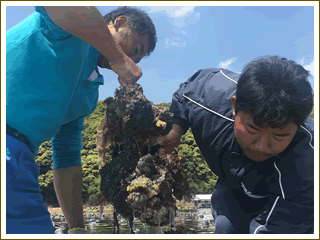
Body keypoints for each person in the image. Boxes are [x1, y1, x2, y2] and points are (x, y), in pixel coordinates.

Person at [6, 6, 157, 234]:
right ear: (119, 22)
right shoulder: (70, 29)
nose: (135, 61)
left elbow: (66, 156)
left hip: (22, 163)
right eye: (136, 50)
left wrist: (77, 229)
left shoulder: (89, 94)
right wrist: (120, 59)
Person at [159, 56, 314, 234]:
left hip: (288, 198)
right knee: (226, 229)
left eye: (279, 136)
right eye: (252, 129)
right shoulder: (208, 95)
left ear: (299, 125)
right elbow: (185, 92)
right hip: (234, 189)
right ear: (234, 105)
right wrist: (176, 128)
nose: (261, 147)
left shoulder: (308, 161)